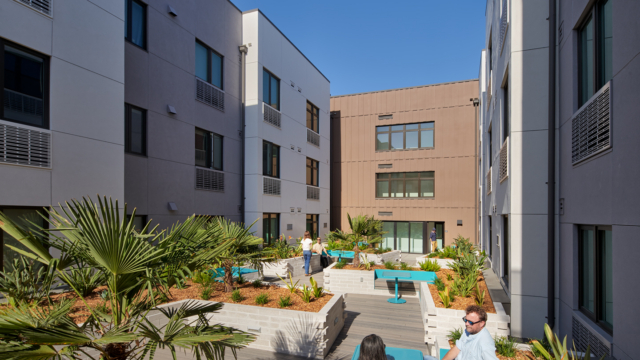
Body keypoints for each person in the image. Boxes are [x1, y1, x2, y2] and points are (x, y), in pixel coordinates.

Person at [423, 305, 498, 360]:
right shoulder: (469, 331)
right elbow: (457, 349)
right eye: (466, 320)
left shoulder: (485, 343)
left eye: (471, 322)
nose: (466, 324)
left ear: (482, 323)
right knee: (425, 358)